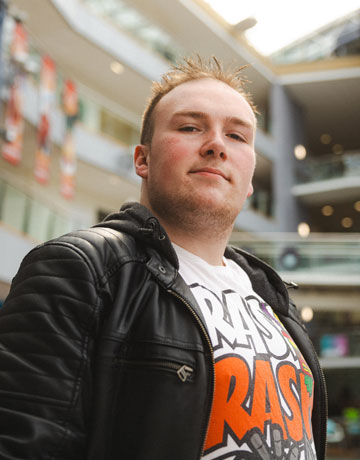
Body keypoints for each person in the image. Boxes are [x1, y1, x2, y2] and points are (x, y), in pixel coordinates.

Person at [0, 56, 327, 460]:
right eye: (190, 127)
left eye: (237, 136)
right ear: (143, 159)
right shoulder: (82, 268)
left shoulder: (274, 300)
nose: (216, 146)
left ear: (249, 180)